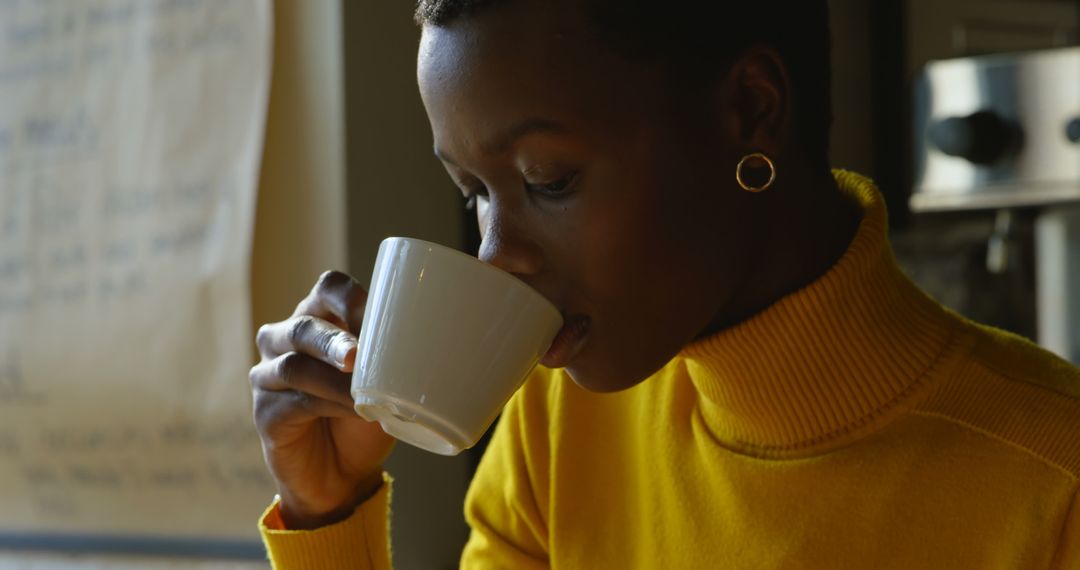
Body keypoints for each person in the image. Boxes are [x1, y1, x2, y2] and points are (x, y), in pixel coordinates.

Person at [248, 0, 1080, 567]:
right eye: (475, 194)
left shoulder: (1051, 482)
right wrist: (328, 514)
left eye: (549, 180)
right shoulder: (557, 428)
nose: (497, 255)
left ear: (752, 111)